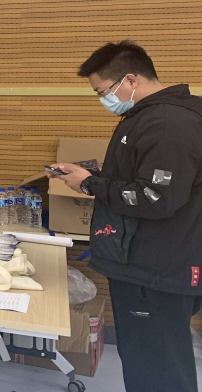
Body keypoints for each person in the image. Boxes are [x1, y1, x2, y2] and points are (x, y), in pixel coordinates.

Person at [50, 41, 202, 392]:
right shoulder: (152, 116)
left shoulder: (166, 123)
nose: (103, 100)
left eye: (103, 91)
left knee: (156, 369)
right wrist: (92, 176)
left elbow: (156, 198)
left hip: (155, 270)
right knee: (146, 361)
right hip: (150, 264)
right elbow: (145, 179)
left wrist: (90, 184)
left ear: (131, 80)